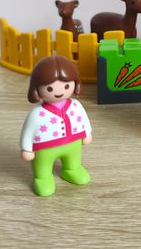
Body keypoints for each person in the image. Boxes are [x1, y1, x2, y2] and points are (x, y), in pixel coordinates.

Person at [20, 55, 92, 196]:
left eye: (66, 86)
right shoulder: (37, 114)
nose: (59, 92)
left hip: (73, 143)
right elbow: (28, 131)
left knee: (73, 160)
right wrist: (27, 148)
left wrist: (87, 133)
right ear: (36, 88)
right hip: (44, 148)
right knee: (43, 165)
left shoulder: (76, 105)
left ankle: (72, 169)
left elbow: (84, 119)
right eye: (50, 88)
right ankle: (42, 177)